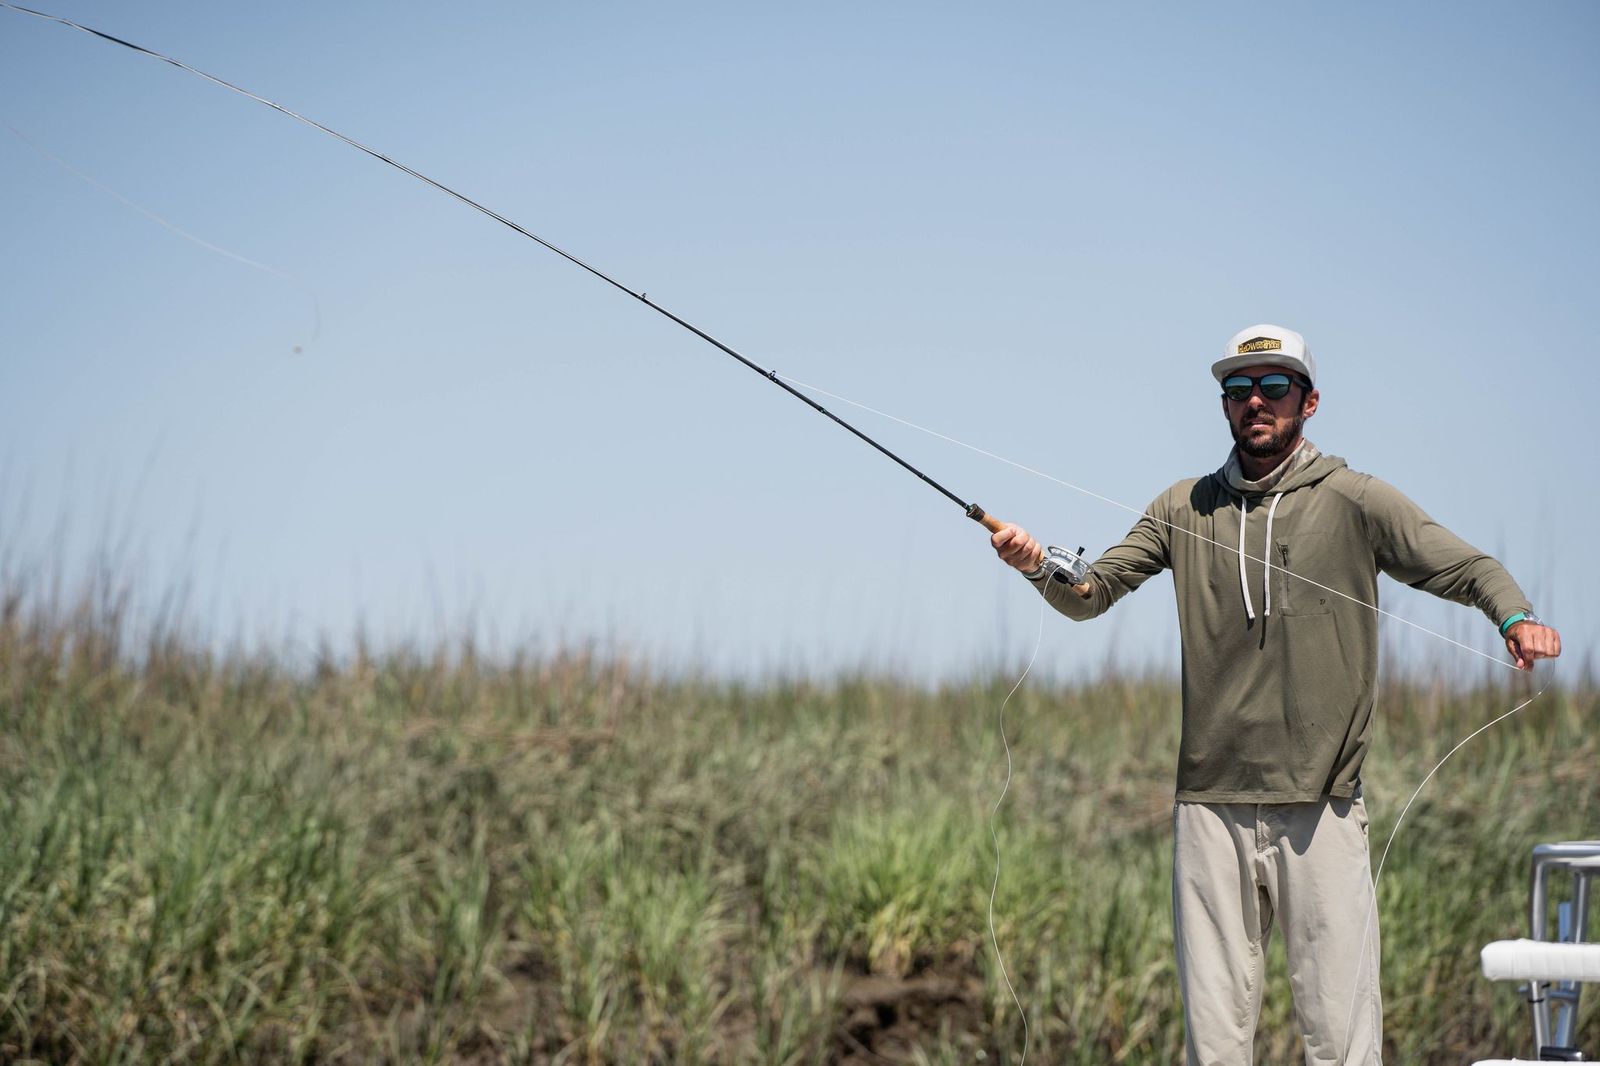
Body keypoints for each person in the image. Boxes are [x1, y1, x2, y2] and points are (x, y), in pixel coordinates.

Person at [989, 324, 1562, 1065]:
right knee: (1216, 1043)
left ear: (1309, 401)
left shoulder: (1356, 499)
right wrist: (1037, 566)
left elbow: (1468, 567)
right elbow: (1091, 593)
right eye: (1237, 390)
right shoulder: (1181, 506)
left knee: (1342, 1039)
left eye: (1273, 386)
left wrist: (1516, 618)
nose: (1254, 401)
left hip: (1324, 803)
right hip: (1209, 807)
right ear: (1224, 407)